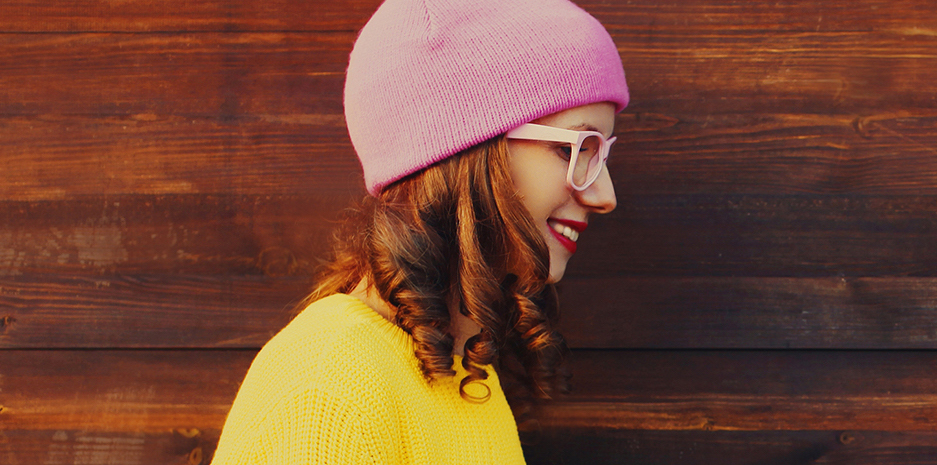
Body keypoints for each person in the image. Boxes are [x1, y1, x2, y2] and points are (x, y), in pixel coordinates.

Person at [212, 0, 627, 462]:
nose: (604, 195)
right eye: (575, 149)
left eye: (603, 153)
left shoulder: (462, 365)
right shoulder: (327, 388)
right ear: (464, 152)